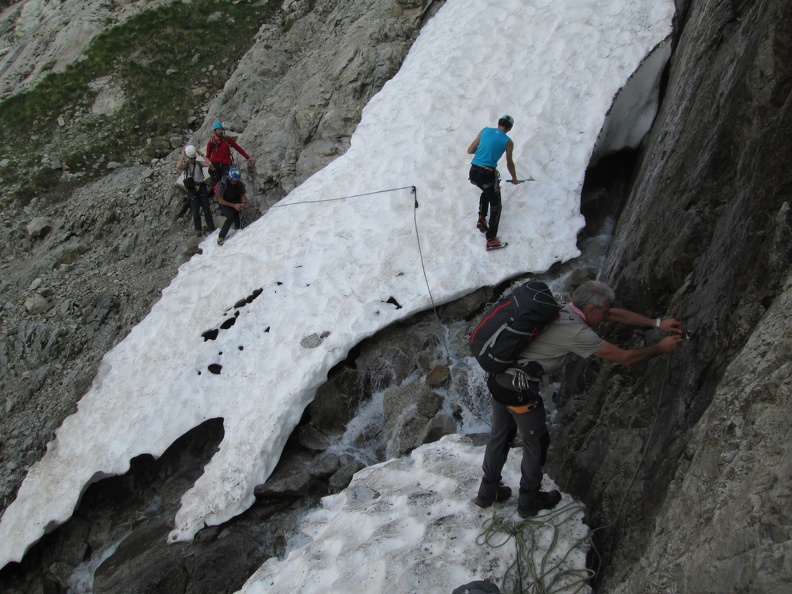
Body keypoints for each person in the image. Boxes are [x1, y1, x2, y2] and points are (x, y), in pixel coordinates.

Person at [474, 280, 684, 518]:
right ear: (591, 310)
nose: (607, 314)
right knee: (536, 442)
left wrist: (656, 323)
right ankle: (529, 498)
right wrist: (660, 347)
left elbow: (613, 314)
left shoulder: (562, 308)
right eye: (603, 311)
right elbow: (625, 358)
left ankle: (487, 491)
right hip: (519, 388)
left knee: (500, 435)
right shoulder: (578, 333)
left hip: (498, 376)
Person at [467, 115, 519, 251]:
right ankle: (491, 239)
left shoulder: (484, 131)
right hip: (487, 173)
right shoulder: (508, 141)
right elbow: (509, 163)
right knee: (496, 205)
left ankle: (482, 218)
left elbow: (470, 150)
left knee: (487, 191)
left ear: (499, 123)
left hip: (473, 172)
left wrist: (483, 151)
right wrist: (514, 178)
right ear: (510, 128)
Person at [176, 144, 215, 236]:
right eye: (191, 158)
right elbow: (178, 166)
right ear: (188, 157)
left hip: (201, 187)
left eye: (194, 158)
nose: (193, 160)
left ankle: (211, 227)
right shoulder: (186, 165)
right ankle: (198, 229)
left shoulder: (199, 163)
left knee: (206, 208)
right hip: (192, 189)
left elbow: (209, 164)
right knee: (195, 210)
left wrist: (201, 154)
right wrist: (182, 155)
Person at [206, 121, 256, 189]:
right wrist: (209, 164)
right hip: (215, 166)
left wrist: (247, 157)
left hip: (225, 166)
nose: (220, 131)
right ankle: (220, 198)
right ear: (215, 131)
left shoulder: (227, 139)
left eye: (221, 129)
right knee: (217, 187)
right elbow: (207, 156)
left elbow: (237, 148)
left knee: (226, 184)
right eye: (219, 130)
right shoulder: (211, 143)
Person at [216, 167, 248, 246]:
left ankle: (239, 231)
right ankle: (221, 236)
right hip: (226, 204)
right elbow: (220, 200)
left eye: (236, 180)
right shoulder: (224, 184)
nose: (235, 182)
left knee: (239, 223)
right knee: (230, 218)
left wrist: (243, 203)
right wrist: (234, 205)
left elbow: (242, 194)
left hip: (236, 202)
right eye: (234, 181)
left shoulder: (239, 184)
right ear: (230, 178)